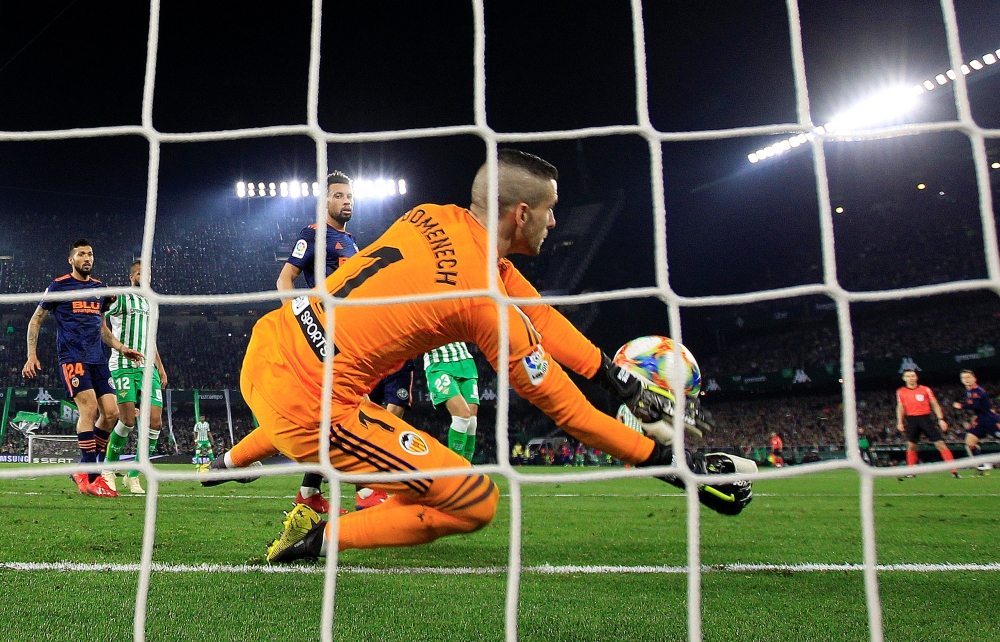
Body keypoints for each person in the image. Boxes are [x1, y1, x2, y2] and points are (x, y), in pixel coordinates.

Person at [211, 149, 754, 564]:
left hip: (270, 344)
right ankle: (318, 537)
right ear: (522, 214)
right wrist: (674, 469)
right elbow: (570, 413)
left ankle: (232, 463)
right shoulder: (479, 296)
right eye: (550, 211)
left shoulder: (433, 216)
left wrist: (618, 380)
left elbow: (538, 315)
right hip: (308, 403)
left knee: (390, 443)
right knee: (476, 500)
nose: (555, 223)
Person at [22, 239, 143, 497]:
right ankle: (91, 476)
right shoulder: (59, 286)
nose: (87, 258)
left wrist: (122, 349)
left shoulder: (100, 289)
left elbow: (102, 329)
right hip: (73, 358)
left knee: (111, 414)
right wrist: (31, 355)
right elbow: (35, 321)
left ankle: (82, 468)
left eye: (90, 254)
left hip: (98, 359)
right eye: (81, 254)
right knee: (88, 409)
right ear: (71, 260)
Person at [102, 260, 168, 495]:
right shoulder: (122, 297)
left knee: (155, 421)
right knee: (128, 420)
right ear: (132, 277)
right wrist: (119, 348)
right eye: (141, 273)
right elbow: (99, 321)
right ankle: (108, 470)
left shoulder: (153, 303)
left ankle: (133, 476)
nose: (145, 276)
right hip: (123, 364)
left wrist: (160, 367)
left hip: (148, 367)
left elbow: (151, 338)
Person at [895, 369, 959, 478]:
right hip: (911, 420)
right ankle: (911, 471)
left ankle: (954, 471)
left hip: (926, 419)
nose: (911, 378)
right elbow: (900, 407)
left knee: (940, 444)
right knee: (911, 446)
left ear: (916, 377)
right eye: (908, 376)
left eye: (913, 376)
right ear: (904, 378)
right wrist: (899, 422)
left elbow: (934, 404)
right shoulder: (901, 391)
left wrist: (940, 419)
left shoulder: (925, 389)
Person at [424, 342, 480, 461]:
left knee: (472, 421)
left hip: (464, 360)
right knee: (463, 414)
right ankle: (454, 468)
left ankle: (467, 470)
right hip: (438, 363)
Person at [951, 369, 1000, 473]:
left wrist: (961, 406)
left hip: (990, 419)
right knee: (969, 442)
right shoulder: (969, 391)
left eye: (968, 377)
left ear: (974, 378)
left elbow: (976, 405)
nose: (966, 380)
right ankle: (984, 464)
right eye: (963, 378)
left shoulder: (977, 391)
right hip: (981, 420)